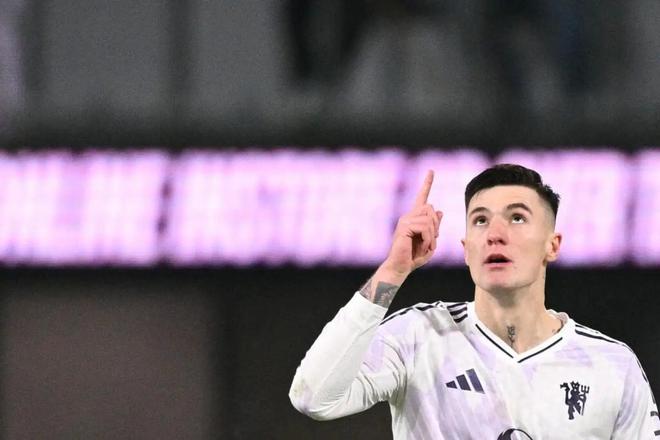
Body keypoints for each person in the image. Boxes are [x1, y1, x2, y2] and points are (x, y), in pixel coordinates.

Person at [289, 164, 659, 439]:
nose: (495, 234)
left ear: (552, 245)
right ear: (467, 250)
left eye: (517, 218)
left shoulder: (613, 366)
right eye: (480, 221)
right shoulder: (419, 336)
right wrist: (392, 270)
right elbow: (313, 396)